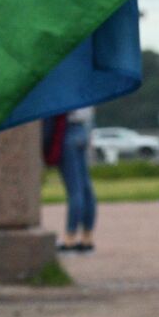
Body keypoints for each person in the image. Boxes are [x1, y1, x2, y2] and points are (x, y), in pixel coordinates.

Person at [57, 106, 97, 251]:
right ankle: (87, 236)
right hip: (82, 129)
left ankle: (70, 238)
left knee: (75, 189)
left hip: (67, 129)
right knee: (85, 187)